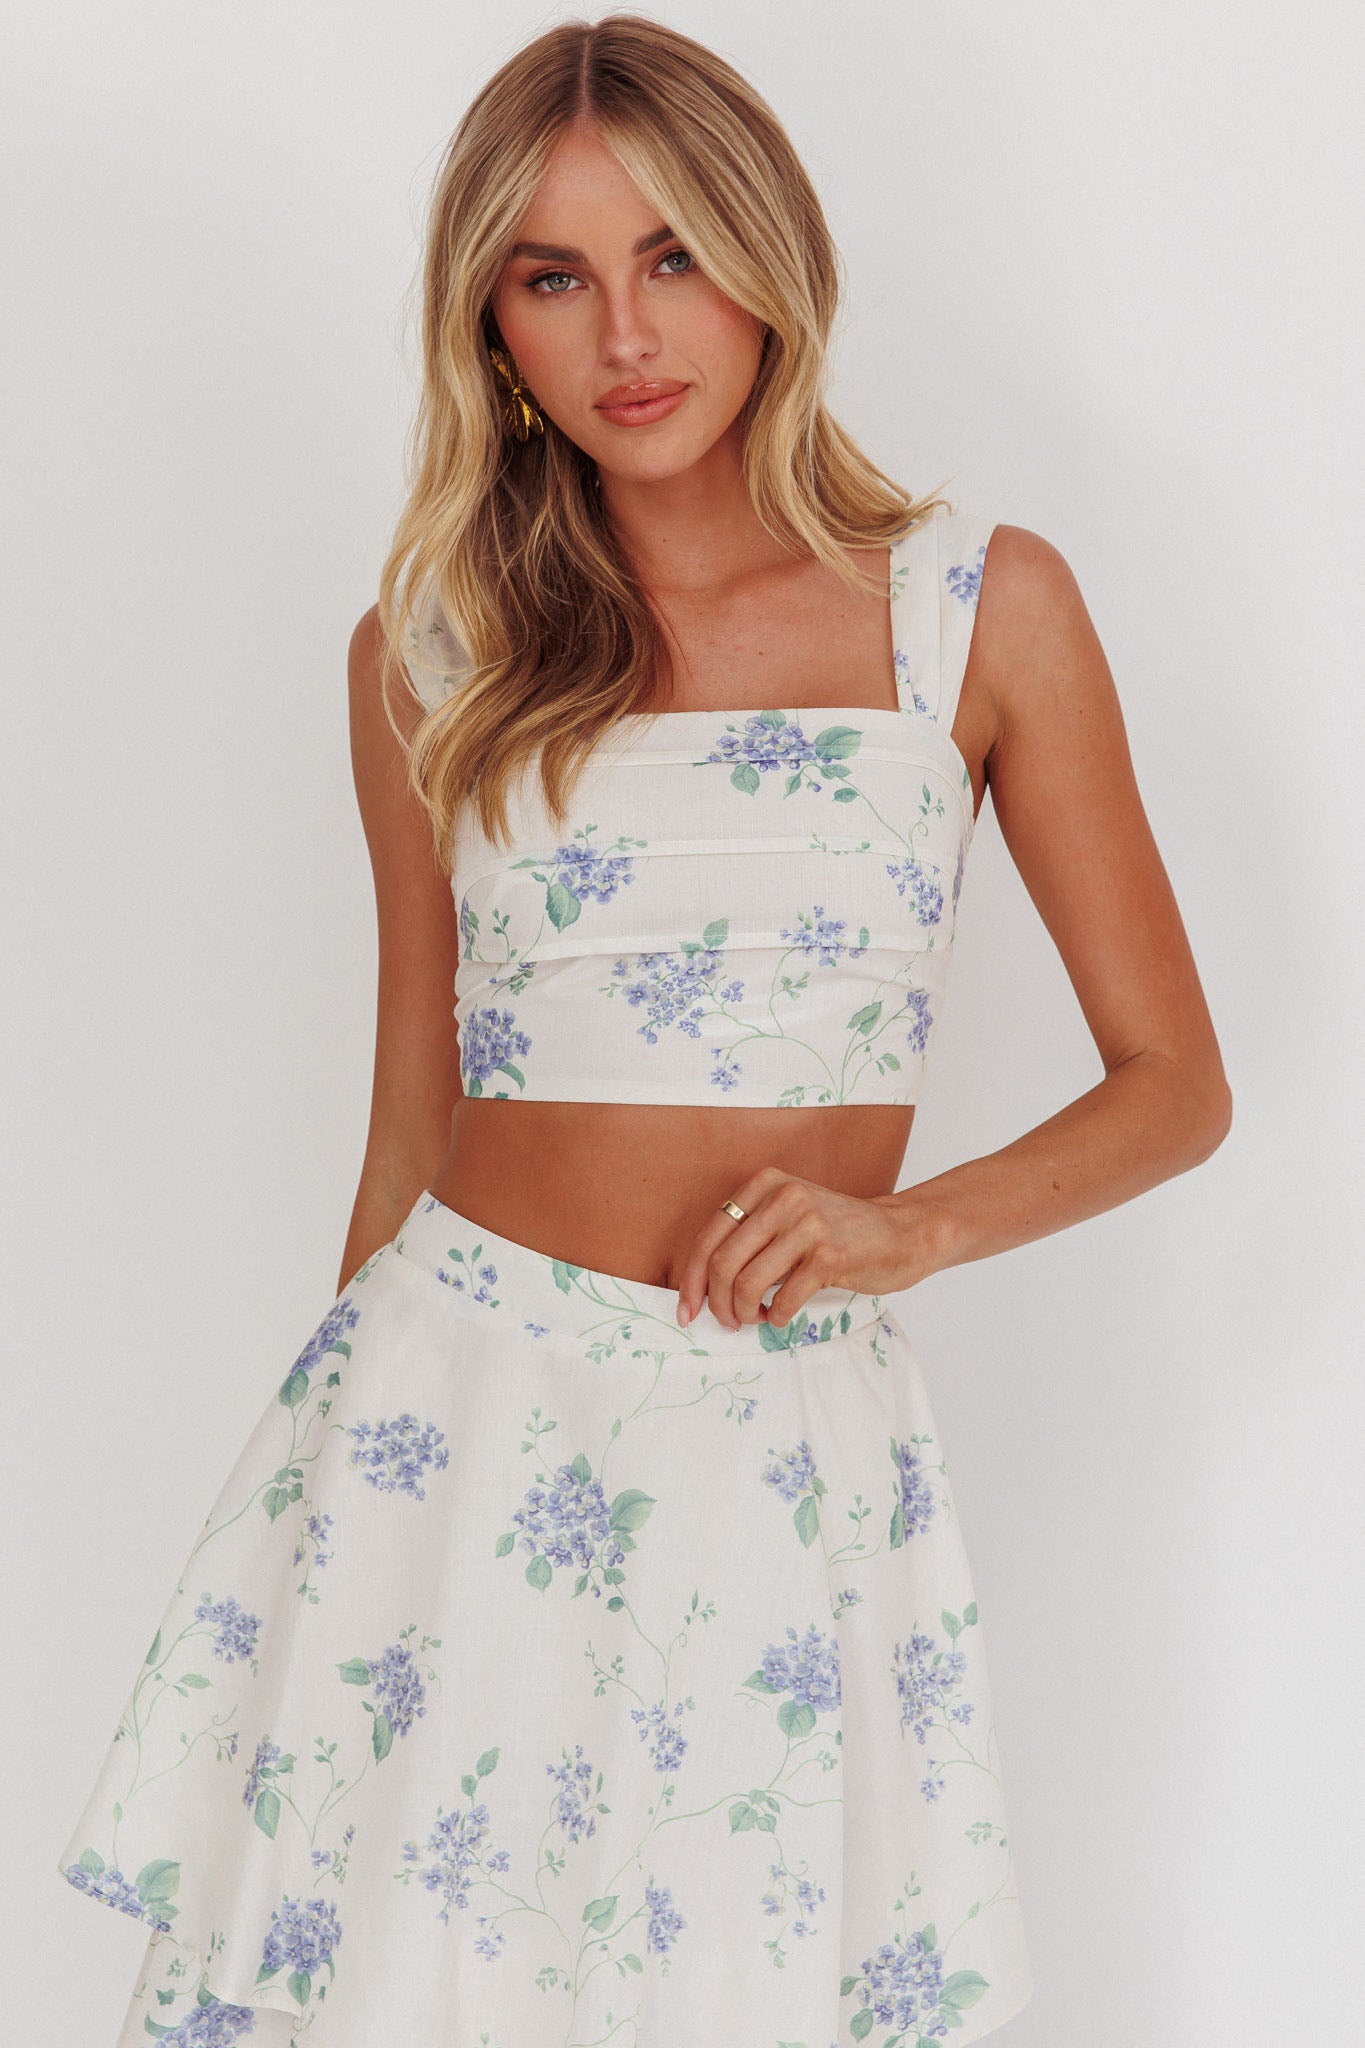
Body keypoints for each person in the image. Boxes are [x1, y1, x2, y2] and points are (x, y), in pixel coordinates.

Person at [56, 14, 1232, 2047]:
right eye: (553, 275)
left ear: (772, 262)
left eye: (674, 255)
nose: (624, 333)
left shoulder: (974, 611)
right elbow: (411, 1117)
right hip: (460, 1407)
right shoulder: (428, 652)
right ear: (489, 325)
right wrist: (332, 1536)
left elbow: (1174, 1084)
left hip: (776, 1435)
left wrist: (907, 1230)